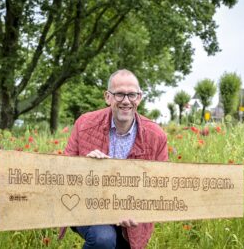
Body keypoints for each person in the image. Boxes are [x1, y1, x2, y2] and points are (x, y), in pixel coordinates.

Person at [58, 69, 168, 249]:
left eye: (131, 94)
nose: (126, 101)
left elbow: (161, 185)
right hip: (89, 206)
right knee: (104, 240)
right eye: (119, 94)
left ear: (139, 97)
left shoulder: (156, 136)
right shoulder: (84, 124)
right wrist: (84, 166)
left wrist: (136, 209)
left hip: (132, 217)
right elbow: (63, 172)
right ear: (108, 97)